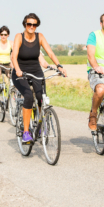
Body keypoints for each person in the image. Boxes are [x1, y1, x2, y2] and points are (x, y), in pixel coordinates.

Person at [11, 13, 67, 144]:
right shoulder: (19, 36)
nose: (31, 26)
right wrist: (18, 70)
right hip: (20, 72)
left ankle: (42, 126)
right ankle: (26, 132)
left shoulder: (39, 36)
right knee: (28, 96)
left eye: (34, 24)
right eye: (29, 24)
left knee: (41, 97)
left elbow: (50, 53)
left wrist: (59, 66)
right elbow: (14, 56)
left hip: (36, 71)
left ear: (37, 25)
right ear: (25, 25)